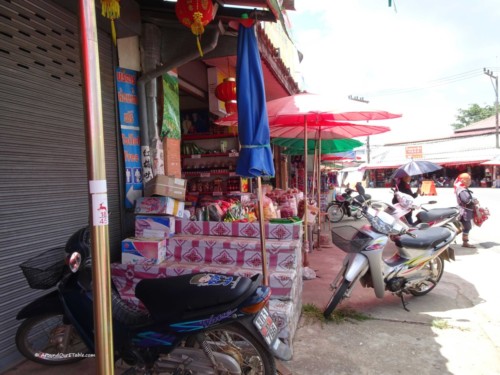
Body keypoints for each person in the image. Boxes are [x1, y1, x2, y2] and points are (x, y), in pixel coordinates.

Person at [454, 173, 476, 248]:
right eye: (468, 179)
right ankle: (450, 238)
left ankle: (465, 242)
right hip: (464, 211)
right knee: (466, 227)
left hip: (466, 210)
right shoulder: (461, 189)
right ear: (463, 180)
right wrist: (474, 201)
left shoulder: (462, 188)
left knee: (466, 227)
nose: (470, 181)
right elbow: (466, 201)